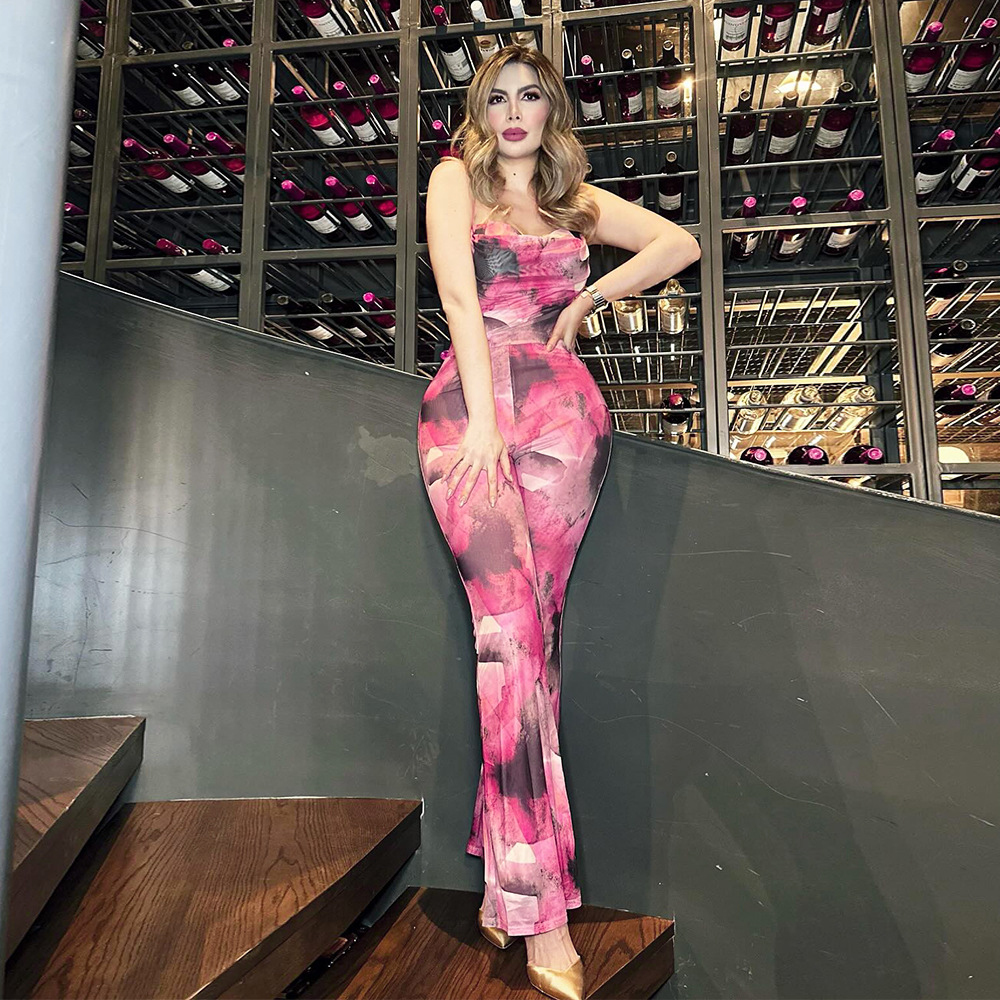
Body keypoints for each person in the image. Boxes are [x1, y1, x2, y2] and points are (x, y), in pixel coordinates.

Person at [416, 43, 700, 1000]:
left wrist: (590, 298)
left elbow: (677, 244)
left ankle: (507, 886)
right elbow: (459, 295)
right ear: (479, 110)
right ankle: (542, 916)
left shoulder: (574, 203)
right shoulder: (454, 181)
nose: (513, 111)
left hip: (566, 422)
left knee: (533, 646)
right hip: (471, 418)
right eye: (497, 96)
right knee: (507, 639)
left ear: (552, 112)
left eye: (530, 96)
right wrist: (484, 420)